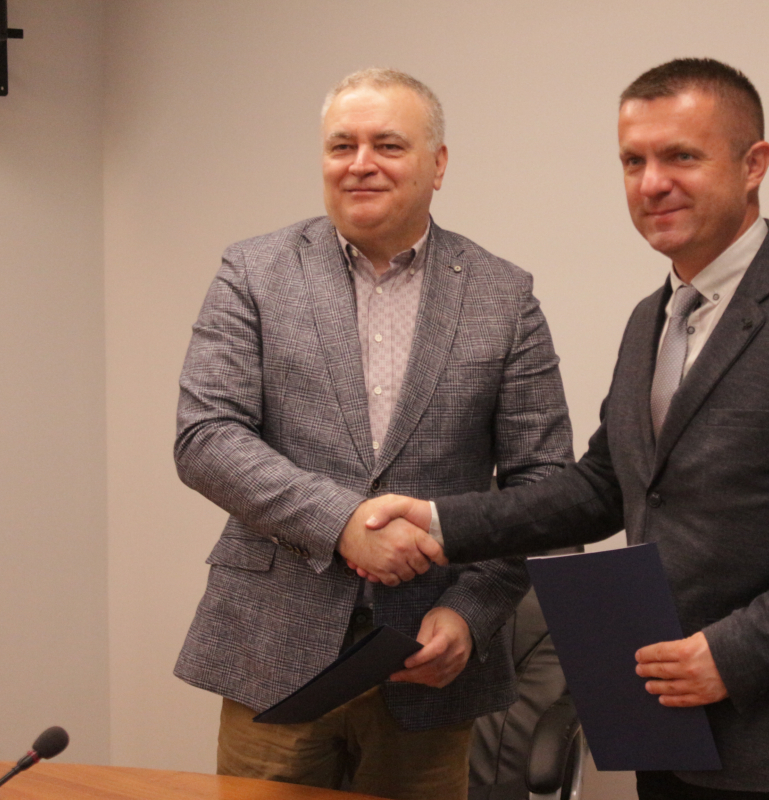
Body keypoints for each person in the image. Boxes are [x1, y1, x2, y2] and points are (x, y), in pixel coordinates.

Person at [349, 58, 769, 799]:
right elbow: (603, 486)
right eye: (633, 161)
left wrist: (733, 654)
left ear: (754, 164)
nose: (652, 183)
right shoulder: (650, 318)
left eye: (681, 156)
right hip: (666, 737)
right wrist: (439, 522)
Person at [172, 68, 573, 800]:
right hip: (274, 655)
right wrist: (342, 523)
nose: (361, 164)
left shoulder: (503, 295)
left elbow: (543, 486)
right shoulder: (254, 272)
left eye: (388, 144)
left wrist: (471, 613)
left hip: (429, 662)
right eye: (342, 146)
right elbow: (206, 436)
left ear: (437, 164)